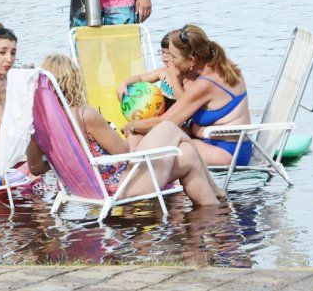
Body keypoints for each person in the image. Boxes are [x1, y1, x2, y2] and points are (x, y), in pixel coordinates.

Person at [26, 54, 222, 206]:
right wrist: (132, 133)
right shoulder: (85, 115)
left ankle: (214, 214)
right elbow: (125, 153)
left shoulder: (39, 124)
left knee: (187, 155)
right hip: (119, 188)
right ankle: (217, 196)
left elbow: (36, 168)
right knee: (169, 127)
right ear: (72, 81)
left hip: (82, 188)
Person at [119, 25, 252, 167]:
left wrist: (131, 125)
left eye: (174, 57)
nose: (172, 61)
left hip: (227, 152)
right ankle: (131, 167)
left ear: (192, 60)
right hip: (223, 145)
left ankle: (129, 171)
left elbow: (166, 123)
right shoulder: (224, 67)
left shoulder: (205, 84)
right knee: (148, 136)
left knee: (157, 143)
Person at [117, 32, 184, 105]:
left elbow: (184, 102)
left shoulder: (186, 78)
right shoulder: (163, 72)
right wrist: (124, 83)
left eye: (168, 53)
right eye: (163, 52)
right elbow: (141, 78)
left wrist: (174, 75)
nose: (164, 56)